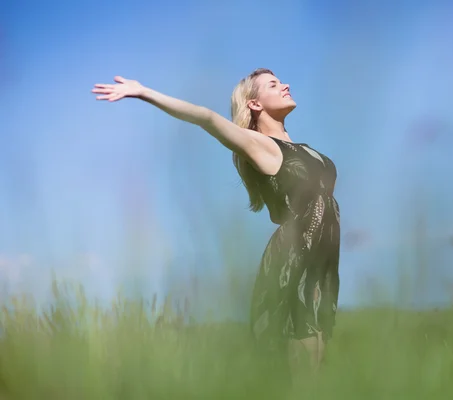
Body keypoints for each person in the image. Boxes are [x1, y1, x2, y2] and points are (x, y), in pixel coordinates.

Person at [91, 69, 341, 379]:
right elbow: (206, 117)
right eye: (273, 85)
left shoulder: (304, 149)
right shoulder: (258, 145)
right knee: (302, 369)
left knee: (317, 360)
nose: (286, 84)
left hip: (321, 257)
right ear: (254, 105)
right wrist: (145, 92)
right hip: (294, 256)